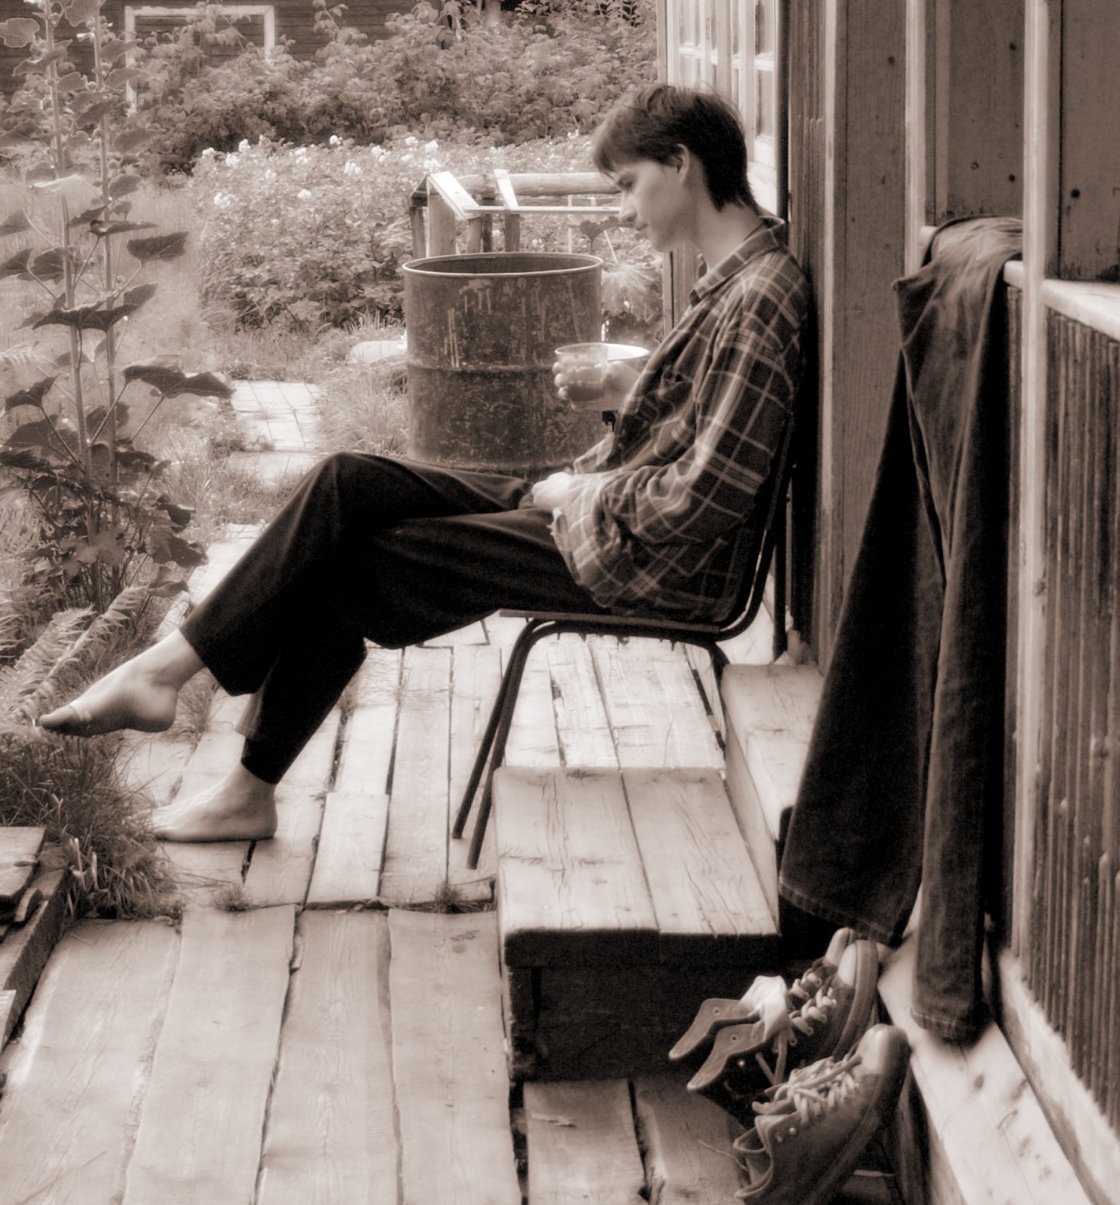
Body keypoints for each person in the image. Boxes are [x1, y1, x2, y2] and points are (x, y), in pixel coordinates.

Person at [40, 83, 809, 843]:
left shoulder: (758, 299)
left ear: (680, 163)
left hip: (638, 556)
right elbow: (697, 431)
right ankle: (173, 682)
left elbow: (705, 497)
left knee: (346, 568)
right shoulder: (733, 282)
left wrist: (577, 494)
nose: (622, 210)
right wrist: (623, 394)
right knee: (348, 479)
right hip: (604, 512)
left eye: (628, 185)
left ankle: (219, 753)